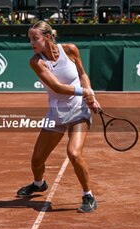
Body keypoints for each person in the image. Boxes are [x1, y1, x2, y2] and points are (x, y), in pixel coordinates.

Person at [17, 21, 101, 213]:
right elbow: (56, 87)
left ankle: (88, 196)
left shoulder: (70, 50)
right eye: (30, 39)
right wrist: (84, 92)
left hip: (78, 111)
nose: (31, 42)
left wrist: (90, 94)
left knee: (74, 153)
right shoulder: (36, 62)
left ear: (47, 37)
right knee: (37, 160)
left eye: (34, 38)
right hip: (55, 114)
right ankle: (39, 184)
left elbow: (82, 74)